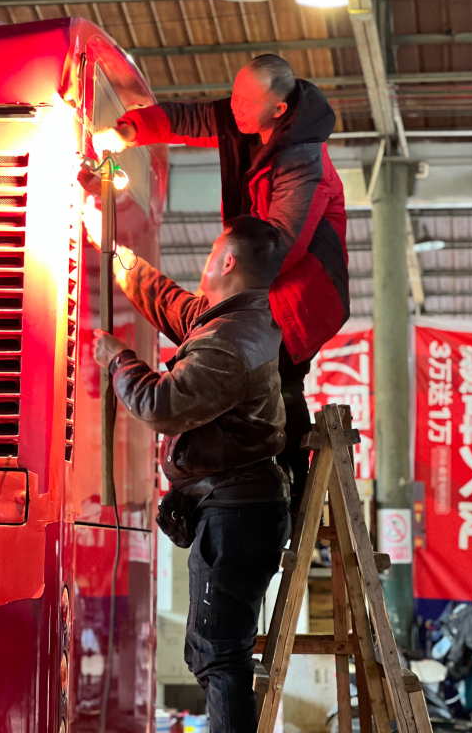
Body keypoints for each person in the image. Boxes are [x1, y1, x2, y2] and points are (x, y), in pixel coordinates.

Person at [92, 54, 349, 519]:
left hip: (300, 295)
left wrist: (224, 282)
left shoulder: (303, 161)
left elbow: (279, 247)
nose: (234, 107)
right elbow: (191, 118)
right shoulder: (245, 117)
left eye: (247, 102)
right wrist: (131, 129)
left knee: (283, 382)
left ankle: (291, 493)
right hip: (256, 278)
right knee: (230, 355)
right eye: (234, 95)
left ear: (279, 109)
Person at [87, 213, 292, 733]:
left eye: (211, 252)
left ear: (228, 261)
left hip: (235, 517)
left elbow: (162, 405)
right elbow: (170, 304)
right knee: (217, 653)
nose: (205, 260)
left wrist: (119, 361)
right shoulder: (231, 320)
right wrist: (121, 259)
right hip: (236, 510)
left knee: (218, 656)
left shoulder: (229, 341)